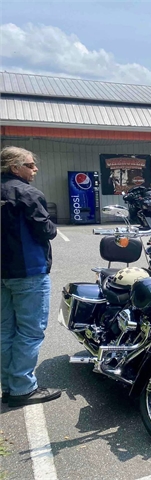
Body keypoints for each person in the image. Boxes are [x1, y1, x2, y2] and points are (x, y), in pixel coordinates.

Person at [1, 146, 60, 407]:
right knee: (29, 332)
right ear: (15, 167)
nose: (35, 169)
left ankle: (9, 385)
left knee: (4, 330)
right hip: (28, 272)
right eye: (30, 165)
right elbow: (45, 230)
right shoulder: (27, 193)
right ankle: (22, 388)